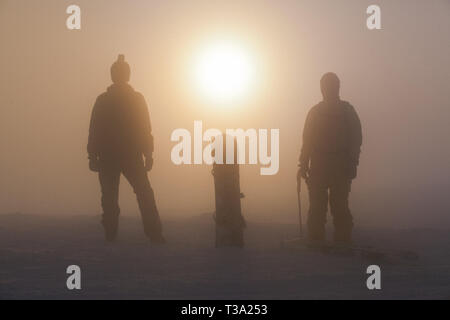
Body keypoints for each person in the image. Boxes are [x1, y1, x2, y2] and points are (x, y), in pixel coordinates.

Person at [87, 54, 165, 244]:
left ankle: (111, 235)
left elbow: (94, 129)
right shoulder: (135, 99)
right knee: (142, 195)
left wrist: (92, 156)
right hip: (129, 156)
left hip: (111, 156)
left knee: (112, 198)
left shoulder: (104, 100)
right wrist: (148, 153)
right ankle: (153, 235)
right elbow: (145, 128)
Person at [298, 72, 362, 245]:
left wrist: (303, 164)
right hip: (329, 165)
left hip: (328, 165)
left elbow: (307, 141)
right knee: (327, 205)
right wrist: (303, 164)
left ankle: (330, 240)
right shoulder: (345, 110)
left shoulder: (319, 112)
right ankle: (329, 240)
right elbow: (308, 140)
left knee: (334, 205)